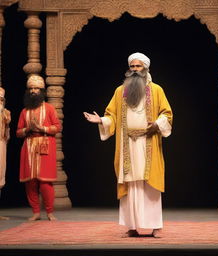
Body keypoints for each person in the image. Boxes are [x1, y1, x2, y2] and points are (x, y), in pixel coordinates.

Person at [84, 52, 173, 237]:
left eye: (138, 66)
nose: (134, 70)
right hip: (128, 147)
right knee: (130, 185)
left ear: (145, 68)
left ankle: (155, 226)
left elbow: (167, 114)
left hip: (147, 143)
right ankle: (132, 227)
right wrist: (100, 120)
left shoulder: (156, 90)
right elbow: (112, 116)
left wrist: (157, 124)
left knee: (150, 185)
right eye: (132, 67)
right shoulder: (120, 91)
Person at [16, 74, 61, 221]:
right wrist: (28, 129)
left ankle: (49, 211)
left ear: (41, 91)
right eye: (31, 88)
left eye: (36, 88)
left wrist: (41, 127)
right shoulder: (24, 111)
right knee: (30, 182)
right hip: (29, 147)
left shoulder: (49, 108)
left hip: (45, 146)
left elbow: (57, 127)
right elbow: (18, 132)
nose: (34, 91)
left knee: (45, 182)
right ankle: (35, 212)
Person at [0, 87, 11, 220]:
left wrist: (7, 124)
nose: (1, 101)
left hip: (1, 144)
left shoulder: (6, 113)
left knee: (1, 174)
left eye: (2, 99)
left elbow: (6, 135)